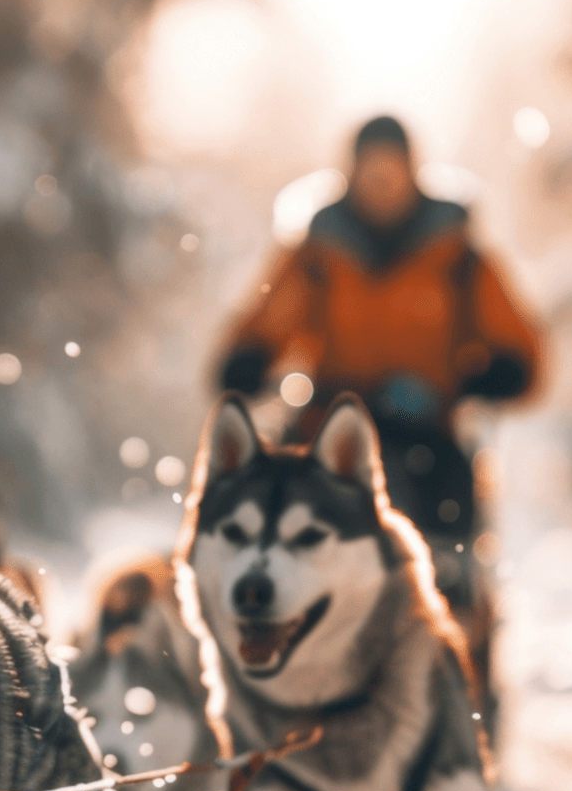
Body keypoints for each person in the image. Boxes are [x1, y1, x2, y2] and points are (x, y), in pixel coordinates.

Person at [217, 115, 542, 695]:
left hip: (429, 430)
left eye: (392, 170)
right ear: (352, 173)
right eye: (372, 170)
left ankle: (460, 677)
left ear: (412, 172)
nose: (382, 183)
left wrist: (503, 371)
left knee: (453, 548)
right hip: (328, 428)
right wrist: (247, 358)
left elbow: (516, 337)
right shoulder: (319, 250)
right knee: (274, 518)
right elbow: (273, 314)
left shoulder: (456, 252)